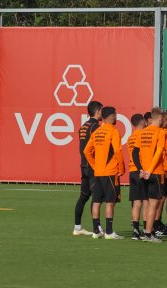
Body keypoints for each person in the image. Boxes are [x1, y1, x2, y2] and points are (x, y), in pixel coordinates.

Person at [83, 106, 124, 240]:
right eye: (115, 115)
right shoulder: (113, 131)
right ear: (111, 116)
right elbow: (117, 151)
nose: (116, 117)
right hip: (110, 172)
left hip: (98, 172)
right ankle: (109, 232)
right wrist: (122, 168)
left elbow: (86, 151)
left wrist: (95, 165)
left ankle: (96, 231)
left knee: (96, 201)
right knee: (110, 202)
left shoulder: (97, 131)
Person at [136, 107, 167, 243]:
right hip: (155, 172)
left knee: (147, 204)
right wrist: (149, 170)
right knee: (153, 205)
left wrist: (141, 169)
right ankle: (148, 234)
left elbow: (135, 153)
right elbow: (158, 152)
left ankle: (147, 232)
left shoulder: (142, 132)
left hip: (144, 173)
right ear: (159, 119)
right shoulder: (160, 132)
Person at [73, 100, 102, 236]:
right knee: (96, 197)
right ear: (97, 112)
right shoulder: (96, 126)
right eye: (101, 110)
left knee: (84, 196)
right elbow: (96, 147)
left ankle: (77, 227)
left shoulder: (83, 126)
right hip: (93, 166)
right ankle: (97, 229)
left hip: (83, 164)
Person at [127, 113, 147, 240]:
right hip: (141, 170)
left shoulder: (130, 137)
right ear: (143, 122)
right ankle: (146, 229)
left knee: (136, 203)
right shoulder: (142, 135)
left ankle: (135, 230)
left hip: (132, 171)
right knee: (146, 202)